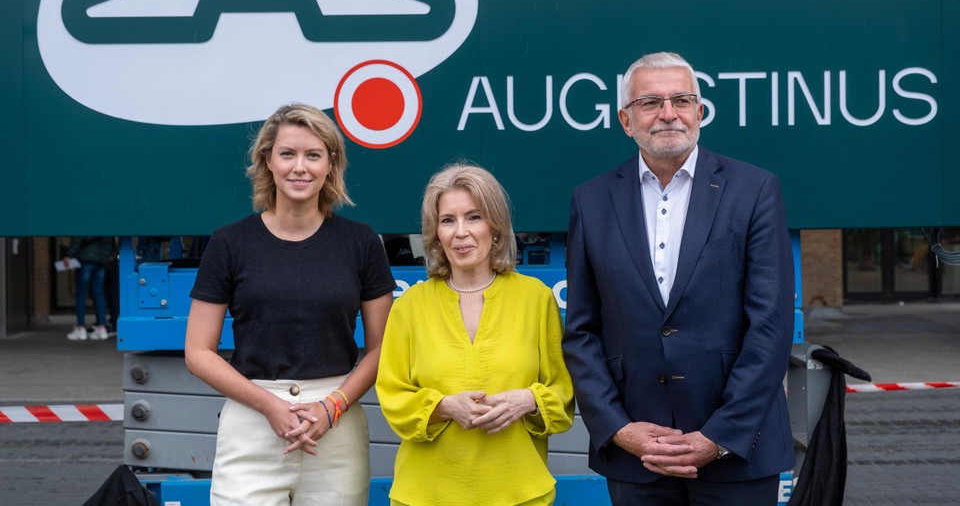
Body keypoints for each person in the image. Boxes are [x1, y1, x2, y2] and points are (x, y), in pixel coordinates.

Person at [562, 52, 795, 505]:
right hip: (638, 455)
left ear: (700, 113)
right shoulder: (590, 200)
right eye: (651, 102)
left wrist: (719, 435)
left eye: (682, 100)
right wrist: (620, 429)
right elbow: (582, 331)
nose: (669, 114)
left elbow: (770, 326)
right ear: (626, 120)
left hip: (738, 450)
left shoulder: (754, 190)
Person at [184, 103, 395, 505]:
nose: (300, 167)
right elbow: (197, 352)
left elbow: (382, 349)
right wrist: (270, 405)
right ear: (267, 159)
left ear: (331, 163)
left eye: (313, 155)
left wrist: (333, 407)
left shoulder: (361, 242)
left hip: (336, 427)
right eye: (288, 154)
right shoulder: (230, 243)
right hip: (252, 423)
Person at [376, 163, 574, 506]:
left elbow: (563, 394)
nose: (460, 232)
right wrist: (444, 406)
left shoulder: (536, 298)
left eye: (474, 217)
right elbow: (393, 397)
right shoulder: (409, 306)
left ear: (495, 227)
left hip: (518, 492)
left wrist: (528, 400)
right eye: (448, 220)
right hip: (425, 494)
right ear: (435, 232)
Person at [62, 236, 116, 341]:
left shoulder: (87, 222)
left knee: (81, 294)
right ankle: (101, 327)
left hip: (85, 258)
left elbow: (78, 238)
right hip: (102, 260)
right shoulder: (107, 224)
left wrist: (69, 255)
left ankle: (80, 328)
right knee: (99, 293)